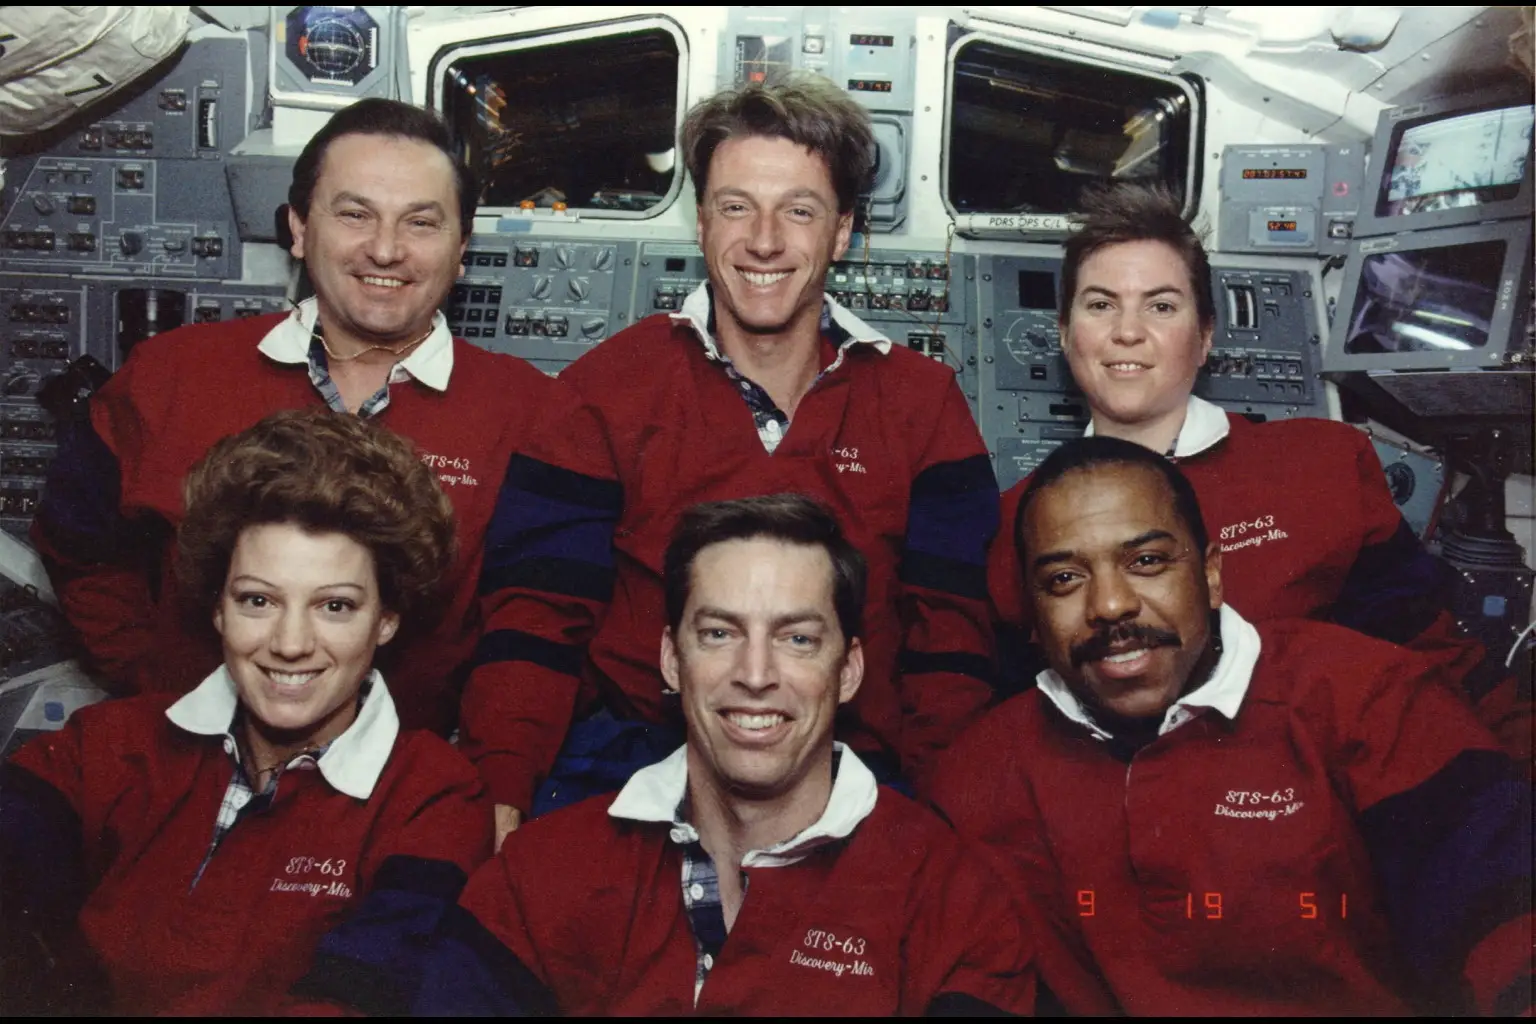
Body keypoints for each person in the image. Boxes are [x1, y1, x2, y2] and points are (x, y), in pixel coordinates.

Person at [463, 73, 1000, 844]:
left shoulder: (923, 406)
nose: (765, 240)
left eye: (800, 211)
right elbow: (536, 614)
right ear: (702, 221)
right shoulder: (605, 391)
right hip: (633, 763)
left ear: (842, 231)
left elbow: (950, 641)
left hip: (854, 777)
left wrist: (943, 821)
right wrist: (505, 780)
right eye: (737, 206)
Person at [932, 437, 1532, 1016]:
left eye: (1146, 561)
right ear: (1033, 613)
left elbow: (1506, 924)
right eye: (1064, 579)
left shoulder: (1370, 700)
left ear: (1212, 575)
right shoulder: (979, 778)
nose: (1110, 605)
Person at [33, 97, 557, 734]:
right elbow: (76, 542)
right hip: (188, 758)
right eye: (354, 214)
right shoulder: (170, 374)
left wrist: (494, 774)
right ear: (301, 228)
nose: (386, 250)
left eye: (421, 223)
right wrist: (150, 677)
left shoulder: (529, 412)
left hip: (405, 780)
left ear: (461, 247)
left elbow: (535, 619)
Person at [419, 495, 1034, 1014]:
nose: (756, 674)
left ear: (847, 671)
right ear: (670, 658)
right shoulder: (539, 874)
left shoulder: (958, 901)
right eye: (719, 634)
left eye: (797, 638)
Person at [986, 183, 1528, 756]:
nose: (1128, 331)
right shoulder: (1019, 521)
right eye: (1100, 304)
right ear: (1066, 334)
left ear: (1205, 337)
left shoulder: (1322, 465)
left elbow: (1436, 662)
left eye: (1161, 305)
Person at [0, 410, 491, 1015]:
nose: (290, 643)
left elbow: (363, 994)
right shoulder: (104, 745)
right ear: (217, 609)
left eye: (334, 606)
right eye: (258, 600)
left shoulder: (434, 799)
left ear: (386, 619)